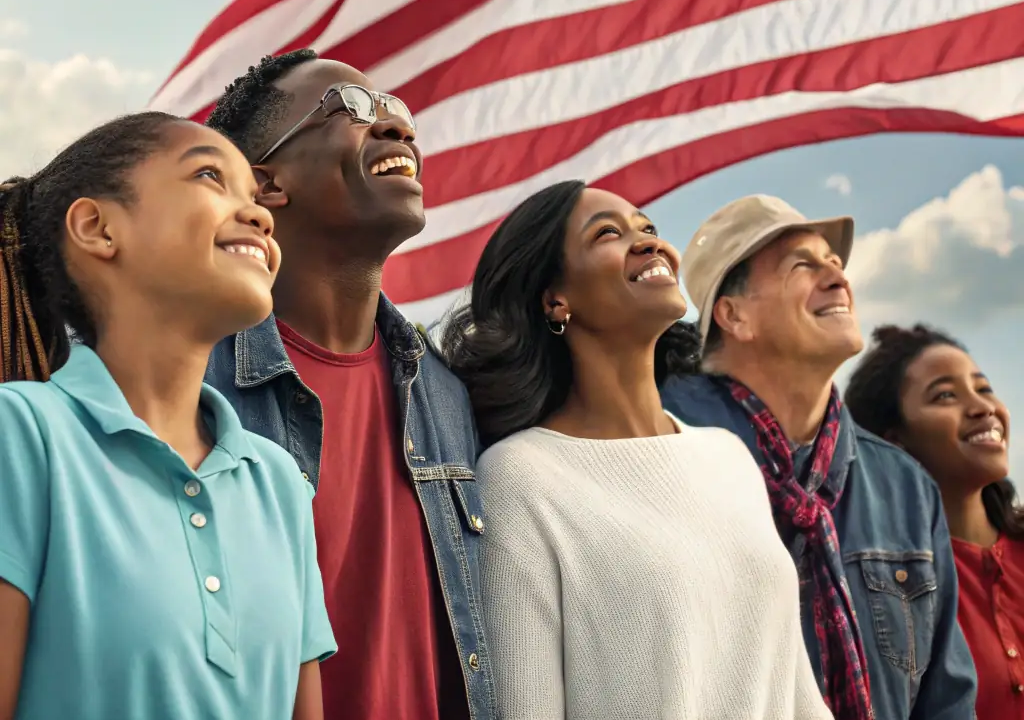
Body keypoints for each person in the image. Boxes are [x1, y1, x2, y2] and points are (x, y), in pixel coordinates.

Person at [442, 179, 832, 720]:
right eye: (609, 233)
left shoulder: (729, 458)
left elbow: (798, 696)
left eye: (648, 227)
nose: (650, 242)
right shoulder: (520, 479)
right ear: (556, 299)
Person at [0, 113, 335, 720]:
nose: (261, 216)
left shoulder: (280, 481)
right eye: (211, 176)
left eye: (258, 200)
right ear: (98, 227)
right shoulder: (21, 436)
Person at [204, 50, 492, 720]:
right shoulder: (192, 379)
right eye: (355, 108)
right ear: (266, 184)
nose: (396, 128)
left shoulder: (446, 392)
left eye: (399, 112)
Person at [660, 193, 977, 720]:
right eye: (803, 265)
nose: (837, 278)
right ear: (734, 315)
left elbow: (945, 701)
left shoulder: (904, 487)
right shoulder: (656, 447)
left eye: (834, 264)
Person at [846, 323, 1024, 719]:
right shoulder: (888, 588)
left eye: (983, 388)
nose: (983, 407)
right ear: (893, 442)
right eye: (945, 395)